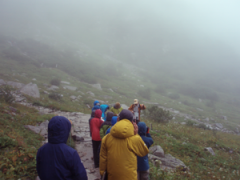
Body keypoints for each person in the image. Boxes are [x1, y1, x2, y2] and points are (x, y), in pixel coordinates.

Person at [99, 109, 149, 180]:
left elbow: (103, 159)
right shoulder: (135, 139)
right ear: (132, 122)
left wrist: (102, 173)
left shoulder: (106, 138)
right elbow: (144, 152)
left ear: (118, 119)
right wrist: (136, 134)